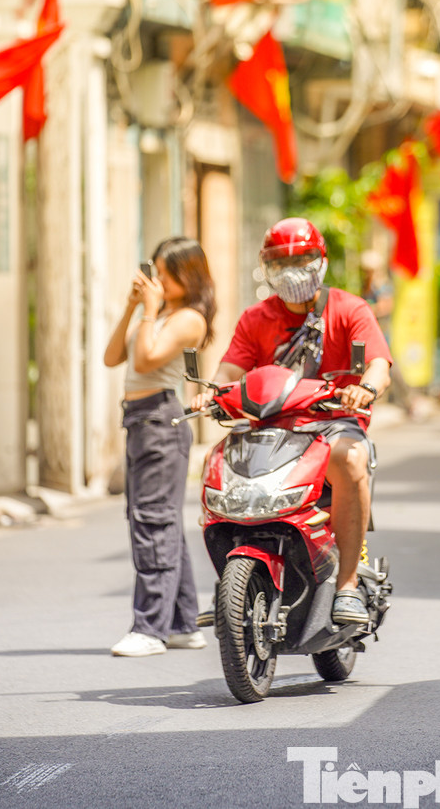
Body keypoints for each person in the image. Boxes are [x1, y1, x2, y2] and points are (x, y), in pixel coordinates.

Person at [211, 218, 392, 625]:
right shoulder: (255, 318)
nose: (293, 270)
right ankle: (229, 583)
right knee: (217, 459)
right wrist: (212, 392)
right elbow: (227, 372)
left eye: (304, 258)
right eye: (281, 261)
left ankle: (346, 585)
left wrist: (366, 387)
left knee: (350, 459)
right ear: (265, 266)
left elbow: (379, 364)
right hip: (269, 429)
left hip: (332, 425)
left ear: (322, 260)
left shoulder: (349, 308)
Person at [102, 237, 217, 658]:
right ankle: (184, 623)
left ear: (185, 275)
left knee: (153, 522)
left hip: (161, 420)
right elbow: (113, 357)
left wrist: (149, 311)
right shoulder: (158, 314)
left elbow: (148, 362)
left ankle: (149, 628)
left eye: (164, 274)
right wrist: (133, 307)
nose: (157, 281)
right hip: (139, 421)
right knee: (157, 520)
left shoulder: (189, 319)